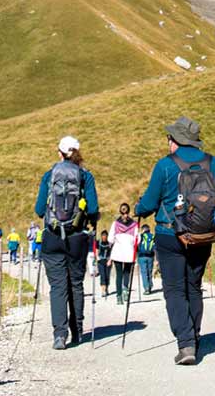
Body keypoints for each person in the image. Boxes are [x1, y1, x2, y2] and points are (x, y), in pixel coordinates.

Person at [135, 116, 215, 366]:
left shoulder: (164, 166)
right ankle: (195, 335)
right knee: (193, 286)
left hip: (170, 235)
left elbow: (148, 203)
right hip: (203, 237)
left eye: (169, 137)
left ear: (176, 140)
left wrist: (138, 208)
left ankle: (186, 342)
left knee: (174, 289)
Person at [35, 135, 100, 349]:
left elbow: (38, 209)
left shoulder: (49, 175)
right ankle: (78, 331)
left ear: (60, 152)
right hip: (77, 238)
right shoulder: (85, 176)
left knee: (58, 287)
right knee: (76, 284)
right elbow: (92, 209)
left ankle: (59, 335)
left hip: (53, 237)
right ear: (78, 153)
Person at [109, 203, 138, 305]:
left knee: (119, 274)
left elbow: (110, 239)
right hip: (129, 251)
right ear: (128, 212)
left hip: (117, 251)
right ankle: (125, 289)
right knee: (126, 272)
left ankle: (119, 296)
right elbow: (137, 240)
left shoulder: (115, 224)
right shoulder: (134, 224)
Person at [137, 224, 156, 294]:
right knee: (149, 272)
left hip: (142, 256)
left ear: (143, 229)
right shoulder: (153, 236)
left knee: (144, 272)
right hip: (151, 256)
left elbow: (137, 245)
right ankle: (150, 286)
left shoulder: (141, 236)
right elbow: (155, 247)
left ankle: (146, 288)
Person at [96, 229, 113, 297]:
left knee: (107, 275)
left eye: (105, 236)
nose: (104, 237)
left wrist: (110, 260)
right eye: (103, 236)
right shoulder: (98, 242)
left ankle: (107, 288)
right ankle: (103, 290)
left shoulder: (110, 243)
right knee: (102, 275)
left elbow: (112, 252)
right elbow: (97, 251)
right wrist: (97, 258)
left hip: (108, 260)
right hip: (101, 261)